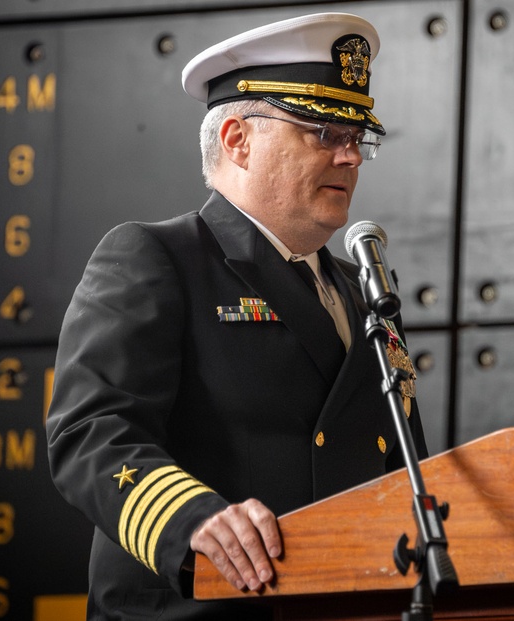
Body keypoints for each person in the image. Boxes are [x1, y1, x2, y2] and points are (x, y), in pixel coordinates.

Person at [45, 12, 428, 620]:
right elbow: (90, 432)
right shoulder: (158, 257)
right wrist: (191, 519)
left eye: (359, 137)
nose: (352, 156)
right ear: (236, 140)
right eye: (325, 131)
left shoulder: (366, 290)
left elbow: (403, 470)